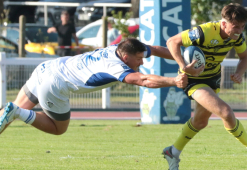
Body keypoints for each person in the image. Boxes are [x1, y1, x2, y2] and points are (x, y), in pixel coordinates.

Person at [162, 3, 247, 170]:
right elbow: (172, 42)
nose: (239, 30)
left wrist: (239, 73)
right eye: (236, 26)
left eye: (242, 26)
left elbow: (244, 58)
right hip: (193, 79)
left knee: (200, 122)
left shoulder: (238, 37)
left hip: (213, 79)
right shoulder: (203, 32)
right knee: (226, 112)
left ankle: (172, 152)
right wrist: (184, 66)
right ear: (223, 23)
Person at [0, 38, 187, 136]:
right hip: (54, 84)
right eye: (138, 60)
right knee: (58, 128)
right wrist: (174, 81)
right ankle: (17, 112)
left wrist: (183, 62)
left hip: (46, 67)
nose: (141, 62)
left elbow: (153, 49)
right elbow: (144, 80)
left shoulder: (118, 48)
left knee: (7, 116)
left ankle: (15, 111)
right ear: (125, 58)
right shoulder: (116, 66)